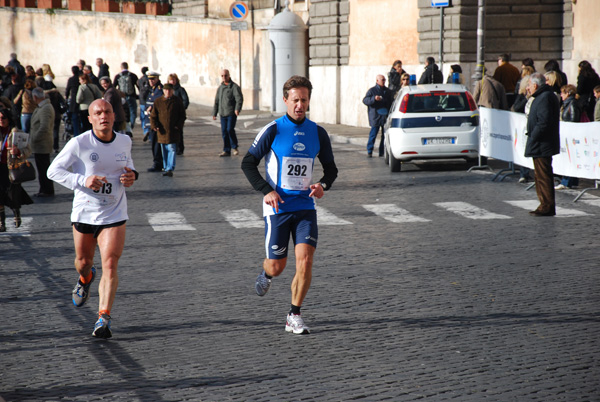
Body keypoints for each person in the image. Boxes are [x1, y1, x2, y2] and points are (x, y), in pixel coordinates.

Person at [241, 75, 338, 335]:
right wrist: (266, 191)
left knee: (305, 261)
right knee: (277, 265)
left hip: (305, 207)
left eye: (304, 100)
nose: (299, 105)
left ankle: (294, 314)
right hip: (278, 208)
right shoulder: (273, 129)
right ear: (285, 100)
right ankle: (267, 274)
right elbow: (247, 163)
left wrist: (322, 185)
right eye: (295, 100)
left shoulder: (318, 132)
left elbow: (331, 169)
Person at [47, 99, 138, 339]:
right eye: (98, 113)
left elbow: (127, 166)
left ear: (113, 115)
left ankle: (103, 318)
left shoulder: (125, 141)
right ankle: (85, 278)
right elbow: (52, 171)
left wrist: (131, 176)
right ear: (90, 118)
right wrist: (82, 180)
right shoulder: (79, 144)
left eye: (107, 111)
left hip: (114, 212)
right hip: (85, 212)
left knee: (110, 263)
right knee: (83, 261)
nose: (103, 116)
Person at [524, 72, 560, 217]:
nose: (527, 88)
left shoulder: (545, 97)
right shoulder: (542, 96)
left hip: (542, 142)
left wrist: (533, 136)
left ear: (535, 85)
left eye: (528, 85)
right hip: (540, 142)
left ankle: (547, 205)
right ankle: (544, 204)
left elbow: (544, 122)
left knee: (543, 175)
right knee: (539, 175)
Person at [0, 108, 33, 231]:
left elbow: (28, 150)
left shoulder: (16, 133)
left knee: (13, 195)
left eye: (3, 118)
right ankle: (1, 223)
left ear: (9, 119)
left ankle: (16, 214)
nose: (1, 121)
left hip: (11, 167)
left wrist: (18, 152)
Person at [150, 83, 186, 177]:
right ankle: (166, 167)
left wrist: (178, 126)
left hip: (173, 130)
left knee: (172, 149)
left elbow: (182, 115)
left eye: (170, 90)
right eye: (166, 90)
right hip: (162, 131)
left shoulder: (177, 101)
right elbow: (153, 115)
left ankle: (170, 168)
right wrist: (154, 125)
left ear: (172, 91)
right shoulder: (158, 101)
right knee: (164, 150)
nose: (168, 92)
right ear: (163, 91)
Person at [555, 84, 582, 190]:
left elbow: (574, 119)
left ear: (568, 93)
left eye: (563, 93)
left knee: (569, 158)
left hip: (570, 136)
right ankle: (572, 181)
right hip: (566, 134)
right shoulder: (567, 103)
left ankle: (566, 181)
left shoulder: (572, 104)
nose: (561, 95)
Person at [30, 87, 55, 197]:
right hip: (39, 144)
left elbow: (44, 127)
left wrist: (34, 138)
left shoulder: (45, 108)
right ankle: (43, 188)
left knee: (44, 168)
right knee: (41, 168)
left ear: (35, 97)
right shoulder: (42, 107)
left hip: (42, 143)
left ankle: (47, 189)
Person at [212, 69, 243, 156]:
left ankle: (235, 147)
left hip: (231, 113)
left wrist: (237, 109)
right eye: (222, 76)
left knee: (230, 129)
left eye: (225, 75)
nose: (224, 77)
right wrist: (214, 113)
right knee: (224, 132)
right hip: (222, 113)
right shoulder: (220, 88)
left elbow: (239, 99)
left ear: (229, 75)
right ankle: (226, 150)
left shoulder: (234, 87)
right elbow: (217, 101)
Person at [363, 74, 392, 157]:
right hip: (375, 116)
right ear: (377, 81)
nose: (384, 81)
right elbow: (365, 100)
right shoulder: (372, 91)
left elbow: (391, 102)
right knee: (373, 134)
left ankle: (382, 151)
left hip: (385, 116)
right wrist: (374, 99)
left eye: (384, 80)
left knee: (384, 135)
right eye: (382, 80)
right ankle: (369, 150)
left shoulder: (388, 91)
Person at [145, 72, 164, 172]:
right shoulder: (152, 90)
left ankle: (158, 163)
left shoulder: (159, 90)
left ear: (157, 79)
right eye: (150, 79)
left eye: (153, 79)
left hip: (156, 122)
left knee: (156, 144)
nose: (151, 81)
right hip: (151, 121)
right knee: (154, 143)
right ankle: (158, 162)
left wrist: (152, 107)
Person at [167, 73, 189, 155]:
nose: (172, 82)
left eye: (174, 80)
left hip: (178, 114)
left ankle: (180, 148)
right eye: (171, 80)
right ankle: (173, 147)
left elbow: (185, 100)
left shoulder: (180, 90)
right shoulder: (167, 90)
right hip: (169, 114)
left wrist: (182, 109)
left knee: (179, 131)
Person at [113, 62, 138, 132]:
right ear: (128, 67)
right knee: (133, 112)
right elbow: (138, 85)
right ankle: (131, 127)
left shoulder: (118, 76)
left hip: (122, 97)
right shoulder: (133, 75)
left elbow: (114, 86)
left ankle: (126, 128)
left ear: (121, 67)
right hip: (131, 96)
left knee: (123, 112)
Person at [65, 66, 82, 137]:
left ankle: (76, 134)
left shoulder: (71, 79)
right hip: (82, 101)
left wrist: (66, 97)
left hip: (74, 101)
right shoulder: (81, 78)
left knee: (74, 119)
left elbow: (67, 90)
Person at [137, 67, 151, 142]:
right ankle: (149, 130)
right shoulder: (149, 79)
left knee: (143, 117)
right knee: (149, 116)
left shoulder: (140, 80)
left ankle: (145, 130)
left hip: (142, 100)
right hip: (148, 100)